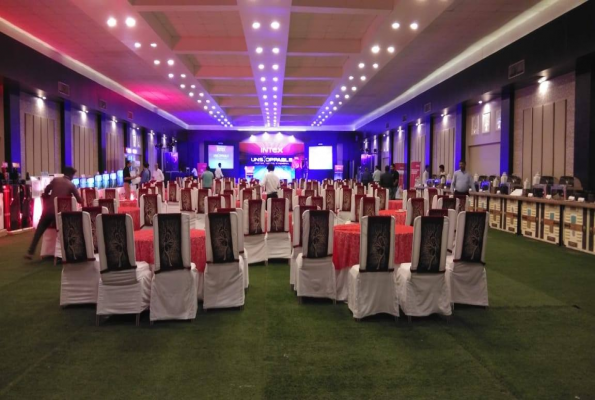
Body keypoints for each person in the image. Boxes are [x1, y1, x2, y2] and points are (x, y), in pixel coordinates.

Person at [25, 167, 83, 259]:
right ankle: (63, 254)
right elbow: (79, 200)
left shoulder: (56, 180)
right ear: (71, 175)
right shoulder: (71, 185)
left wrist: (47, 196)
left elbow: (46, 190)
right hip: (59, 214)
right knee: (65, 230)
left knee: (39, 231)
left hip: (47, 211)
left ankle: (30, 252)